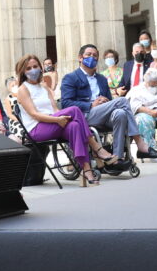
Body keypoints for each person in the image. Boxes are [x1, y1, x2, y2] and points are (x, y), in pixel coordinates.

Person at [59, 44, 157, 167]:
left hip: (104, 115)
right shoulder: (71, 78)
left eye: (95, 55)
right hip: (85, 116)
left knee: (120, 113)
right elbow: (66, 103)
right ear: (80, 58)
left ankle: (117, 158)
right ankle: (140, 143)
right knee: (122, 101)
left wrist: (105, 103)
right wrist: (91, 104)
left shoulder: (102, 79)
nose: (92, 57)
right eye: (88, 55)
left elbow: (110, 101)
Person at [13, 54, 109, 185]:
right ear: (23, 71)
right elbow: (34, 114)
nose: (33, 70)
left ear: (40, 68)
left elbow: (55, 110)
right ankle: (96, 147)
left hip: (53, 124)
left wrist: (61, 118)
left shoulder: (44, 87)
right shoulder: (23, 89)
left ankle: (86, 169)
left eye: (35, 66)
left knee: (75, 126)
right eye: (28, 68)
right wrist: (57, 120)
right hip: (36, 128)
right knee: (74, 109)